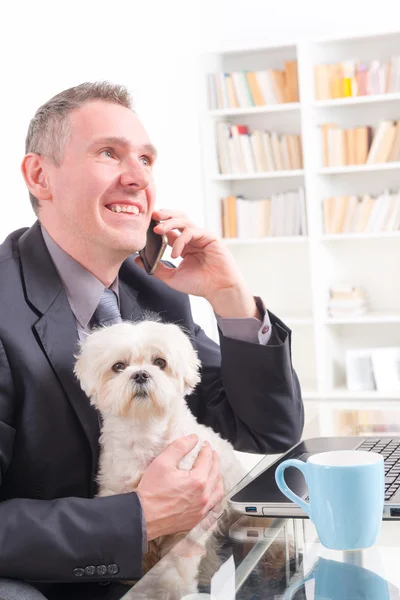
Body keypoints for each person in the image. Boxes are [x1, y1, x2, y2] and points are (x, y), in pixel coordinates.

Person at [0, 82, 303, 599]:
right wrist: (138, 515)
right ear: (39, 176)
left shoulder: (150, 289)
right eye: (108, 153)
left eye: (146, 159)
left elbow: (267, 431)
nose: (138, 177)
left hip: (174, 568)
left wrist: (229, 297)